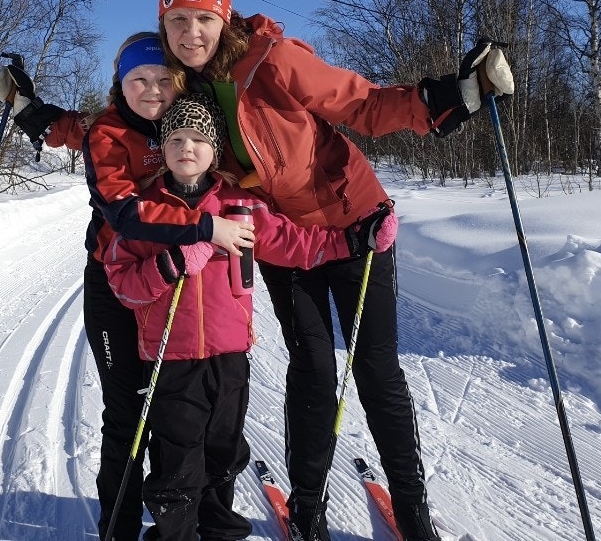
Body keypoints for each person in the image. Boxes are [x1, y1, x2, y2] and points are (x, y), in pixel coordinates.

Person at [154, 0, 514, 541]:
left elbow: (362, 104)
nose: (191, 33)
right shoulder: (177, 89)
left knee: (375, 370)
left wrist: (455, 96)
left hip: (358, 225)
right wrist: (37, 116)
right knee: (314, 370)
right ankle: (308, 509)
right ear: (163, 24)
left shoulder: (272, 61)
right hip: (288, 242)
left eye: (203, 18)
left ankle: (414, 511)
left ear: (225, 17)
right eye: (178, 20)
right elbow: (122, 118)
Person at [0, 34, 255, 541]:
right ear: (121, 84)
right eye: (139, 79)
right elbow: (123, 210)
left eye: (163, 79)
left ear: (179, 83)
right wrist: (206, 228)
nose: (152, 89)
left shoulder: (191, 122)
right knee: (129, 413)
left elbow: (63, 126)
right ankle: (120, 528)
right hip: (118, 283)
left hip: (181, 285)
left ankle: (190, 517)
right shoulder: (108, 131)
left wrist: (29, 108)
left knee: (186, 413)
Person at [102, 93, 396, 541]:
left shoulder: (239, 205)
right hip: (171, 359)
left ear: (215, 150)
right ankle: (174, 534)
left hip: (230, 356)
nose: (186, 147)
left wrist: (356, 240)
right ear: (162, 148)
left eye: (198, 139)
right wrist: (170, 263)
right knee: (179, 461)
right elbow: (122, 283)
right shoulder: (146, 210)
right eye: (175, 139)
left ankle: (218, 527)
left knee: (225, 452)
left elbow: (295, 244)